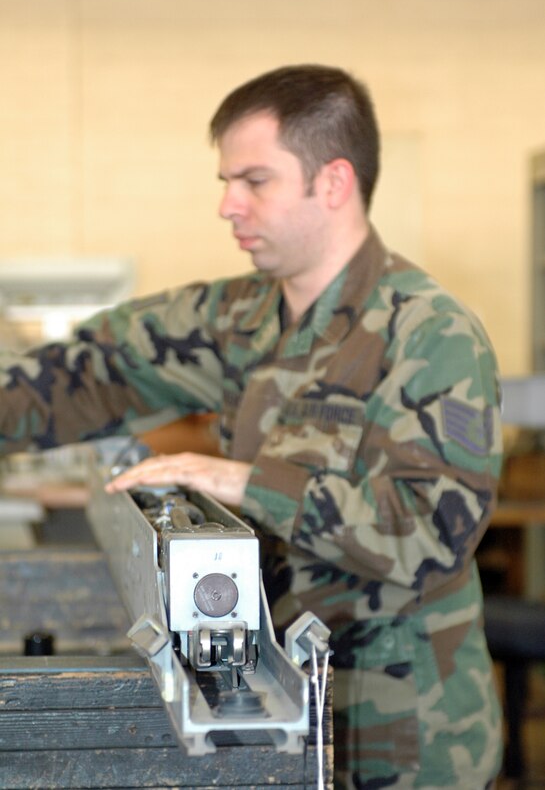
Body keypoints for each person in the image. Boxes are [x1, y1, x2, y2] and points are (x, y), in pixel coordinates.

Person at [0, 65, 503, 788]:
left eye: (254, 180)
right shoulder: (239, 317)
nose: (227, 205)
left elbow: (427, 534)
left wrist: (241, 481)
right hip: (272, 709)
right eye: (224, 181)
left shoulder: (429, 334)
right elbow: (81, 373)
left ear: (331, 183)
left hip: (398, 732)